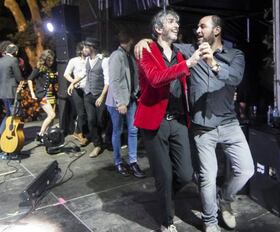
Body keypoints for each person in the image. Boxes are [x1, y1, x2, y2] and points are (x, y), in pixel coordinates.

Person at [135, 15, 255, 232]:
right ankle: (209, 221)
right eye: (197, 26)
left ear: (216, 30)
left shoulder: (235, 54)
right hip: (201, 126)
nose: (197, 30)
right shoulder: (189, 50)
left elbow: (235, 78)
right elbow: (161, 43)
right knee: (205, 178)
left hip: (228, 123)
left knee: (246, 170)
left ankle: (225, 198)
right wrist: (143, 40)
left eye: (202, 27)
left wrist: (213, 63)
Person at [134, 9, 201, 232]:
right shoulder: (146, 50)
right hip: (155, 121)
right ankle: (167, 220)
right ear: (158, 29)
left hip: (179, 121)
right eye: (171, 22)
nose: (176, 25)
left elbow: (187, 83)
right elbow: (155, 79)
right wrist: (187, 65)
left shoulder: (180, 53)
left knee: (184, 173)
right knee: (163, 173)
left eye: (177, 22)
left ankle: (165, 195)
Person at [105, 31, 145, 178]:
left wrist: (135, 93)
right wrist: (120, 102)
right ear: (130, 41)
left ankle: (133, 161)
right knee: (118, 131)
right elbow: (114, 81)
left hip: (130, 99)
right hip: (118, 102)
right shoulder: (117, 55)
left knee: (133, 130)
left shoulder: (128, 56)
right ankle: (118, 162)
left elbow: (134, 76)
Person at [69, 37, 109, 158]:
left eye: (86, 47)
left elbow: (108, 81)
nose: (84, 49)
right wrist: (72, 83)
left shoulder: (104, 60)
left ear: (92, 48)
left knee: (101, 120)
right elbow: (83, 74)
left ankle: (106, 139)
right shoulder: (87, 60)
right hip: (88, 95)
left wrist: (102, 96)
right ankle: (97, 145)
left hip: (99, 95)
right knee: (91, 120)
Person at [0, 42, 24, 134]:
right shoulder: (13, 60)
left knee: (9, 114)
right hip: (11, 91)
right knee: (16, 114)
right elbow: (18, 77)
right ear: (16, 52)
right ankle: (14, 135)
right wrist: (23, 81)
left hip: (1, 92)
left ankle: (0, 135)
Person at [27, 49, 57, 143]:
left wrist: (55, 76)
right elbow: (29, 79)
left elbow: (50, 81)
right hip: (43, 95)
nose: (51, 62)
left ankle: (47, 135)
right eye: (49, 60)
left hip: (51, 95)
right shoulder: (38, 68)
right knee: (52, 115)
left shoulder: (48, 69)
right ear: (44, 59)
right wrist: (32, 92)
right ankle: (40, 134)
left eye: (52, 60)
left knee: (51, 119)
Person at [64, 42, 89, 146]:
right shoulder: (73, 61)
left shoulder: (90, 60)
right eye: (85, 48)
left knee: (88, 112)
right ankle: (78, 132)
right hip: (77, 90)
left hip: (88, 89)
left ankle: (84, 132)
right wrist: (74, 81)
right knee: (81, 113)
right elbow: (66, 74)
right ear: (80, 50)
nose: (87, 50)